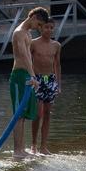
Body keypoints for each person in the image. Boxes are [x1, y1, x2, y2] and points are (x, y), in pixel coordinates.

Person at [8, 7, 49, 156]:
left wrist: (33, 75)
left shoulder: (28, 34)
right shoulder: (19, 33)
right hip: (19, 75)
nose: (39, 28)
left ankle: (21, 149)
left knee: (24, 115)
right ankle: (17, 151)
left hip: (27, 75)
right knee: (18, 114)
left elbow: (30, 58)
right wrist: (33, 76)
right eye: (39, 25)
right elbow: (24, 56)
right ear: (34, 17)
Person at [30, 20, 62, 155]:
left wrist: (58, 84)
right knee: (37, 114)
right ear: (40, 28)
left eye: (51, 28)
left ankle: (44, 146)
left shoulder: (56, 45)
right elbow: (27, 61)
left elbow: (57, 64)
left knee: (48, 114)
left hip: (49, 79)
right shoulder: (33, 43)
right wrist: (30, 78)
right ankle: (34, 145)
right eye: (46, 27)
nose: (49, 30)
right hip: (37, 79)